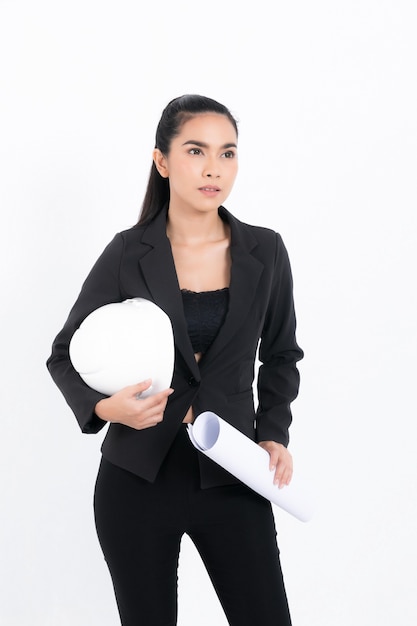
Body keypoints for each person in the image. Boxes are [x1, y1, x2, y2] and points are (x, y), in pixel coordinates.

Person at [47, 94, 304, 626]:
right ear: (162, 162)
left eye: (227, 153)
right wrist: (104, 409)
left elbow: (281, 355)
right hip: (137, 479)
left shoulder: (266, 251)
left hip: (234, 472)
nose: (214, 168)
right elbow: (63, 353)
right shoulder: (127, 253)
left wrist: (274, 433)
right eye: (195, 151)